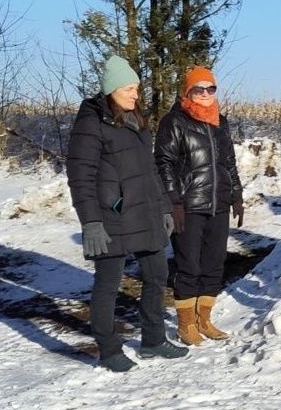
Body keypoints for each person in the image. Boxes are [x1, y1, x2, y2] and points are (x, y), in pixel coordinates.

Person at [67, 55, 187, 371]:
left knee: (157, 275)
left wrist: (164, 207)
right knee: (108, 285)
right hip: (112, 216)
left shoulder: (137, 121)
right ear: (112, 90)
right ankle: (108, 349)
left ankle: (153, 340)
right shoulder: (91, 122)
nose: (136, 94)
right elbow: (80, 176)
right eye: (129, 89)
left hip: (146, 212)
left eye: (137, 88)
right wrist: (91, 221)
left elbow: (150, 170)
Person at [155, 66, 244, 346]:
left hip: (219, 203)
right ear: (188, 92)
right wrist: (173, 201)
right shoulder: (174, 121)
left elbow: (229, 162)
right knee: (189, 266)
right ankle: (186, 325)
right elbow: (164, 163)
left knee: (214, 264)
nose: (205, 94)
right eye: (199, 89)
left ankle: (204, 319)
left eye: (210, 88)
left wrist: (237, 195)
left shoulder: (221, 122)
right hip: (189, 206)